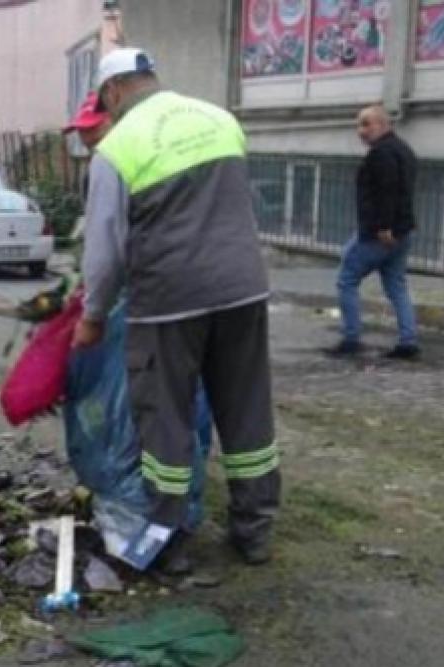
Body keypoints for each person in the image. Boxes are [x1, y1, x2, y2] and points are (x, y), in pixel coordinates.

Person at [72, 48, 281, 572]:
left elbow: (104, 248)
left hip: (170, 303)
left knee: (165, 420)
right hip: (242, 291)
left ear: (114, 91)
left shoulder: (117, 148)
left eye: (106, 102)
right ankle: (254, 531)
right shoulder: (220, 120)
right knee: (247, 411)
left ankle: (168, 540)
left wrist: (93, 315)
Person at [328, 105, 420, 360]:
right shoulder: (404, 150)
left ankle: (351, 338)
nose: (360, 131)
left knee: (346, 280)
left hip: (381, 233)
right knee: (396, 286)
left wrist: (383, 227)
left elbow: (386, 192)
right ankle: (408, 341)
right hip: (402, 231)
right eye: (359, 125)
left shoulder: (381, 154)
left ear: (382, 124)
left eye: (366, 124)